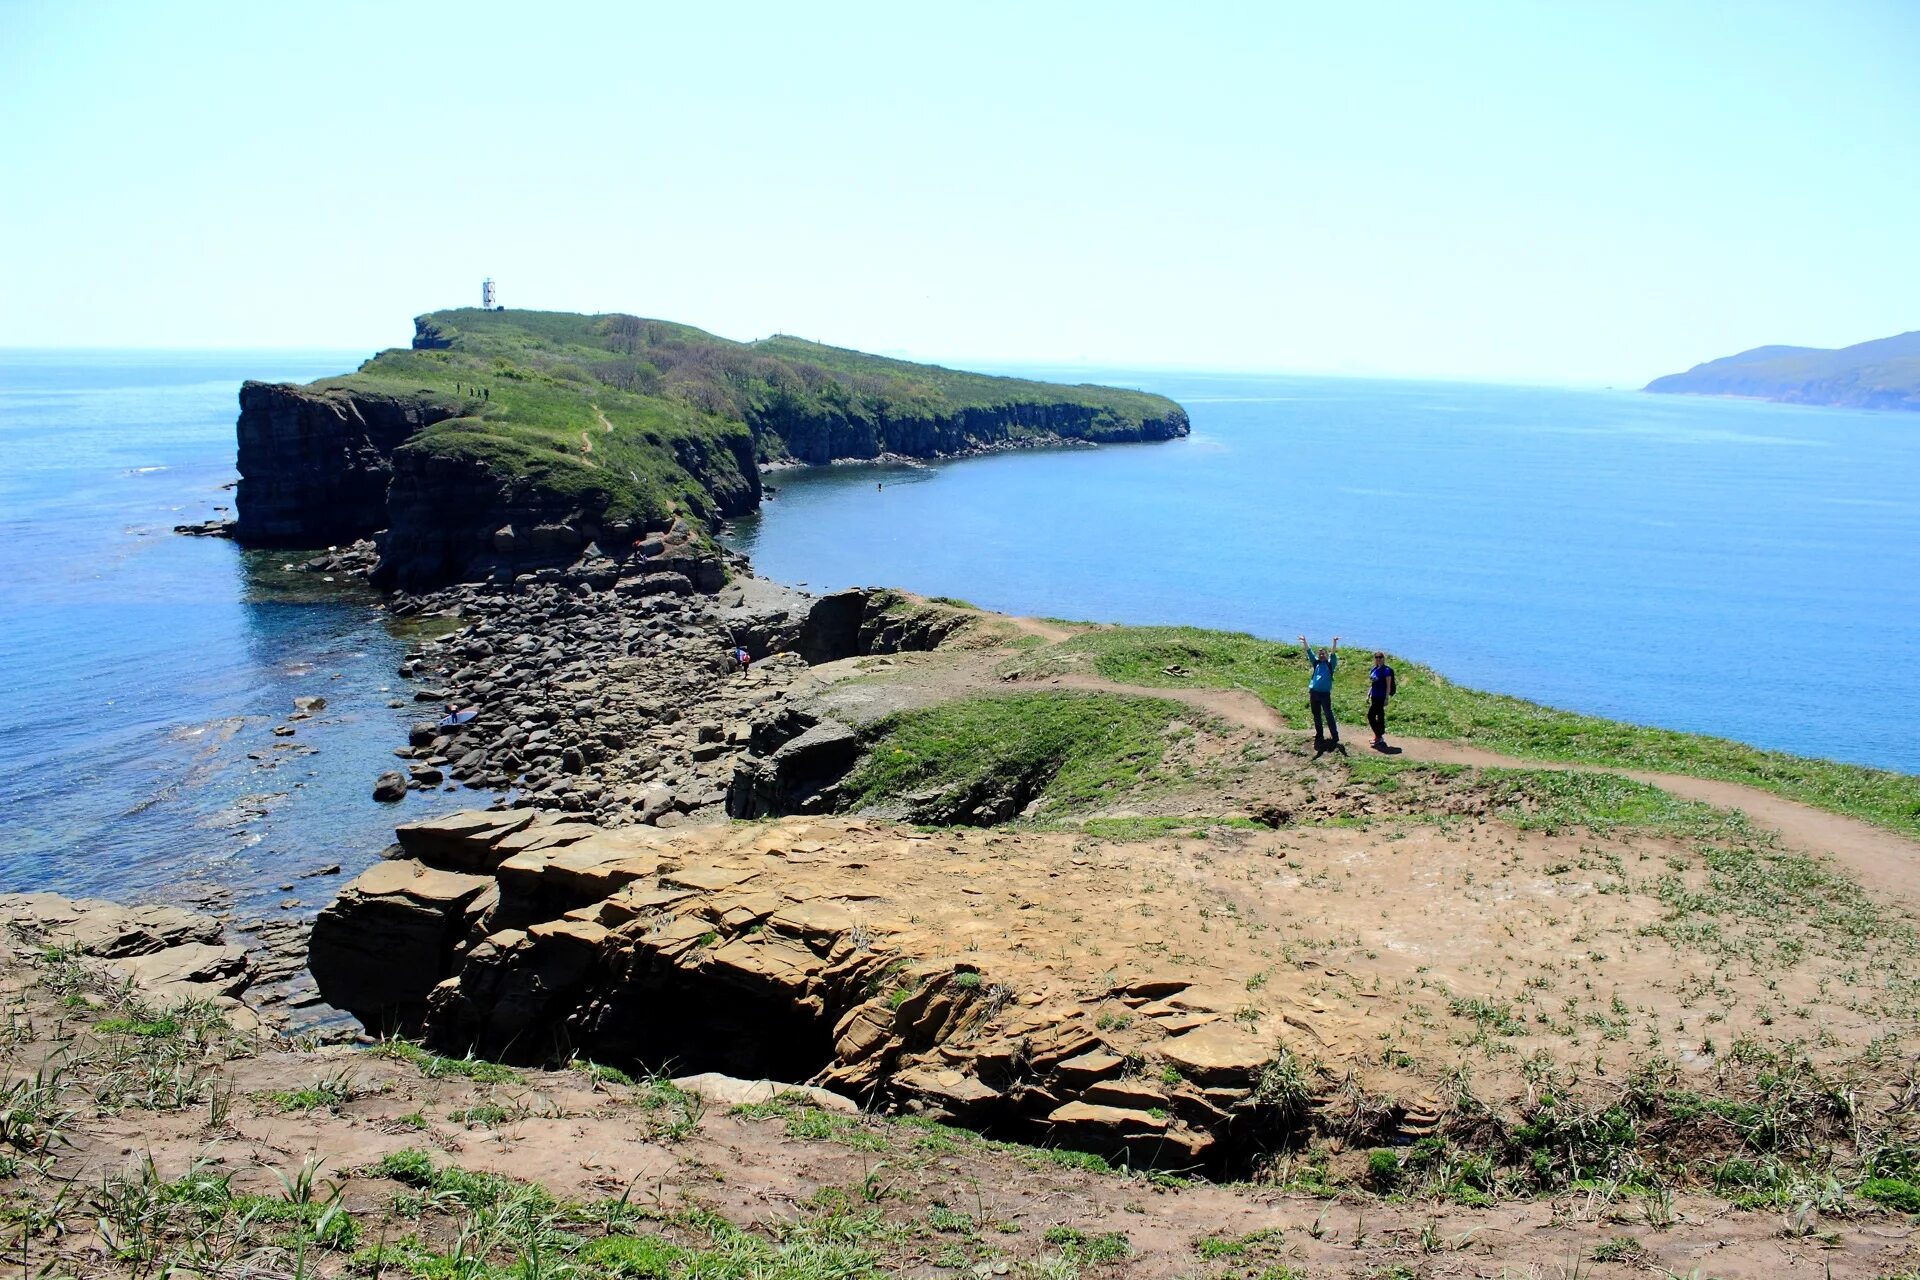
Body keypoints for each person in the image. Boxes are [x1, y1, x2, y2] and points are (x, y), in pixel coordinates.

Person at [1297, 635, 1341, 752]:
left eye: (1323, 654)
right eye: (1320, 654)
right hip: (1314, 693)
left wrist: (1334, 643)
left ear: (1326, 655)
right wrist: (1305, 641)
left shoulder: (1330, 664)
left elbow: (1333, 654)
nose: (1321, 655)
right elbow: (1309, 652)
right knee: (1316, 714)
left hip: (1325, 694)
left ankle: (1335, 736)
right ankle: (1319, 735)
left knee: (1328, 714)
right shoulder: (1316, 663)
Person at [1367, 651, 1397, 749]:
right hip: (1374, 696)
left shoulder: (1386, 670)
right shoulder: (1374, 669)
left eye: (1380, 657)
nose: (1378, 659)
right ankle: (1378, 736)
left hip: (1381, 697)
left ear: (1384, 659)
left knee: (1370, 715)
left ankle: (1379, 735)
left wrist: (1386, 698)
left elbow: (1388, 685)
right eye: (1376, 657)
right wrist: (1368, 694)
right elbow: (1373, 683)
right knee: (1378, 716)